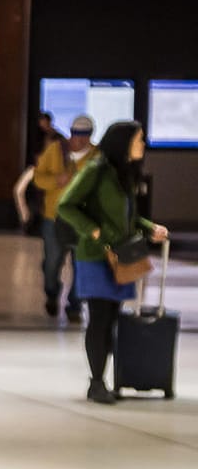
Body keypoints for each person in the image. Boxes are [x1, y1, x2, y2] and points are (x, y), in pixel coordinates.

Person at [57, 120, 170, 405]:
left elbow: (125, 218)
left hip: (120, 256)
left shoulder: (125, 175)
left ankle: (108, 379)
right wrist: (95, 231)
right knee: (99, 318)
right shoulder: (97, 169)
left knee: (111, 320)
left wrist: (147, 227)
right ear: (124, 142)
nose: (143, 145)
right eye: (139, 139)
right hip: (95, 256)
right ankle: (96, 383)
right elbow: (66, 205)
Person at [16, 113, 98, 322]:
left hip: (83, 220)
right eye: (75, 134)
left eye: (83, 135)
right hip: (54, 217)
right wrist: (56, 180)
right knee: (52, 262)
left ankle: (75, 305)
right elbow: (38, 177)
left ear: (90, 136)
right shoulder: (55, 151)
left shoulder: (97, 157)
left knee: (82, 265)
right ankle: (52, 293)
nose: (78, 139)